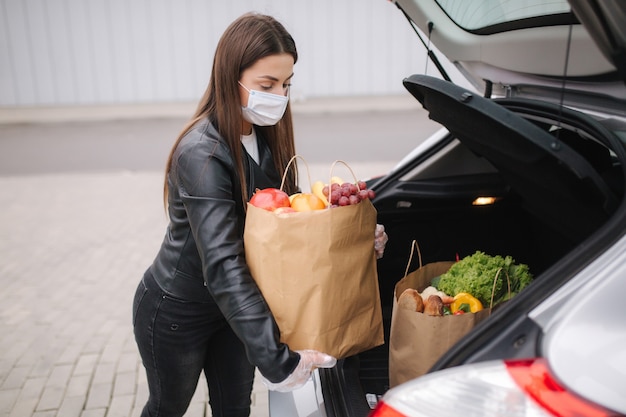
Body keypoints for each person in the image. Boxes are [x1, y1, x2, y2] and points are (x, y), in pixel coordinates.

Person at [132, 12, 388, 417]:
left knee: (234, 409)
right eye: (266, 85)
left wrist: (354, 241)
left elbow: (294, 224)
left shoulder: (267, 136)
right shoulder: (201, 152)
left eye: (285, 84)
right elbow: (222, 263)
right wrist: (277, 359)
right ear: (229, 77)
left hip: (240, 309)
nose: (279, 96)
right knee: (168, 408)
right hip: (179, 309)